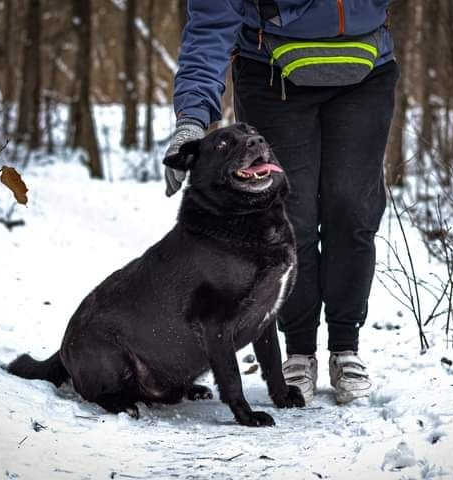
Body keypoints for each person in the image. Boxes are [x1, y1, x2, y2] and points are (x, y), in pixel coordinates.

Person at [165, 0, 397, 405]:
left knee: (352, 210)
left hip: (366, 70)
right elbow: (210, 21)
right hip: (271, 74)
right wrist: (192, 117)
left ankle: (346, 347)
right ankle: (300, 350)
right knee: (293, 217)